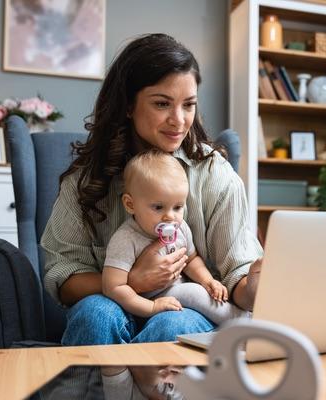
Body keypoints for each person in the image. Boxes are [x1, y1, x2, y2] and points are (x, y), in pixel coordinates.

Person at [41, 33, 263, 346]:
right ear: (128, 105)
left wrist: (257, 281)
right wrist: (131, 282)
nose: (179, 121)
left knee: (173, 324)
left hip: (185, 307)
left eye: (188, 105)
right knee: (94, 315)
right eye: (162, 104)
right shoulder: (85, 180)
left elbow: (237, 278)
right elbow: (62, 277)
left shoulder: (215, 174)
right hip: (110, 303)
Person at [102, 149, 248, 324]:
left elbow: (191, 260)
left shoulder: (181, 228)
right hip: (147, 302)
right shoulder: (125, 239)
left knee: (200, 291)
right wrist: (151, 307)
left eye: (178, 207)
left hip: (177, 297)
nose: (170, 217)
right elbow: (113, 287)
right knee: (193, 293)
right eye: (158, 207)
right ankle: (241, 322)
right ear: (130, 204)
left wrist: (208, 280)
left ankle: (238, 321)